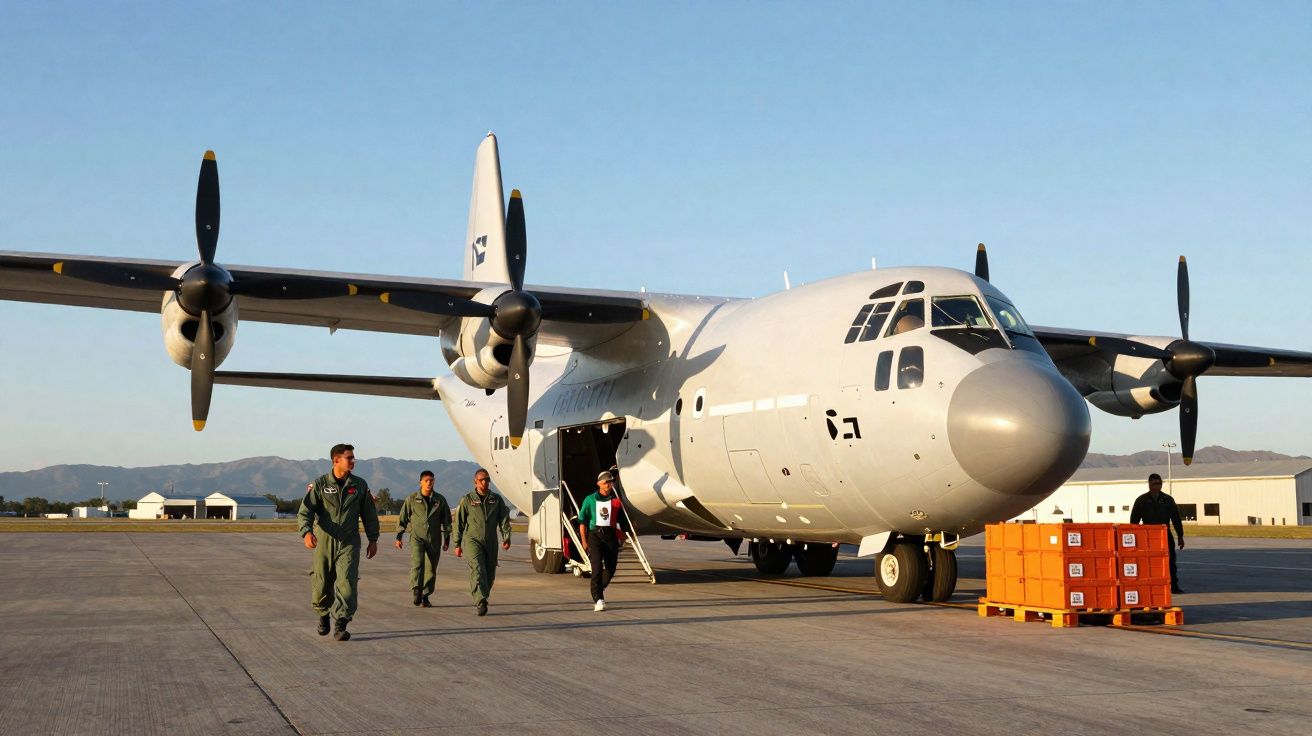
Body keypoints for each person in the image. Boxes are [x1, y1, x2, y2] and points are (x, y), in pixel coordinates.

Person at [297, 443, 379, 641]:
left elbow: (369, 514)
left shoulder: (359, 485)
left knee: (347, 582)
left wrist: (373, 539)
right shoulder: (319, 485)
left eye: (353, 457)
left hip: (349, 540)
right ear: (336, 460)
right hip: (324, 540)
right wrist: (307, 532)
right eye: (349, 458)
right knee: (321, 582)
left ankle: (341, 623)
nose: (353, 461)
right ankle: (323, 615)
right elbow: (305, 511)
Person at [453, 468, 511, 616]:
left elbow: (504, 519)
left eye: (487, 479)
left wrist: (506, 536)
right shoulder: (467, 500)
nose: (485, 482)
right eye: (481, 480)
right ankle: (480, 600)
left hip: (491, 541)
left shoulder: (496, 499)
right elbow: (458, 523)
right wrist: (457, 544)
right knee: (478, 569)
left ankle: (483, 596)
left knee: (489, 573)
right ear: (475, 482)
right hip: (473, 540)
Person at [394, 470, 452, 607]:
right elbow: (403, 518)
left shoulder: (440, 500)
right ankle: (416, 590)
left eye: (431, 480)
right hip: (417, 538)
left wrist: (447, 539)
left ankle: (425, 595)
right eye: (426, 480)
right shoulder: (412, 499)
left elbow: (447, 521)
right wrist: (399, 536)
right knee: (418, 564)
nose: (429, 483)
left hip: (434, 539)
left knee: (431, 569)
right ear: (420, 482)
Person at [578, 470, 627, 611]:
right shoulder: (590, 499)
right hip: (595, 536)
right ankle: (598, 598)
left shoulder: (616, 502)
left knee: (611, 569)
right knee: (597, 569)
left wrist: (625, 533)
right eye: (606, 482)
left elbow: (622, 522)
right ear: (599, 484)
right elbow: (582, 521)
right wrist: (584, 540)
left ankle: (599, 588)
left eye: (611, 482)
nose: (609, 485)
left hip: (610, 536)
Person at [1129, 472, 1186, 594]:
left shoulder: (1168, 500)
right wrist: (1134, 538)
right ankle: (1148, 585)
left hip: (1164, 535)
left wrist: (1180, 536)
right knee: (1147, 563)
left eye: (1159, 483)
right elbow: (1134, 521)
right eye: (1155, 483)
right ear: (1149, 484)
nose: (1157, 486)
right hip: (1147, 536)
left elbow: (1176, 519)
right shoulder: (1141, 500)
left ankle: (1174, 586)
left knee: (1170, 561)